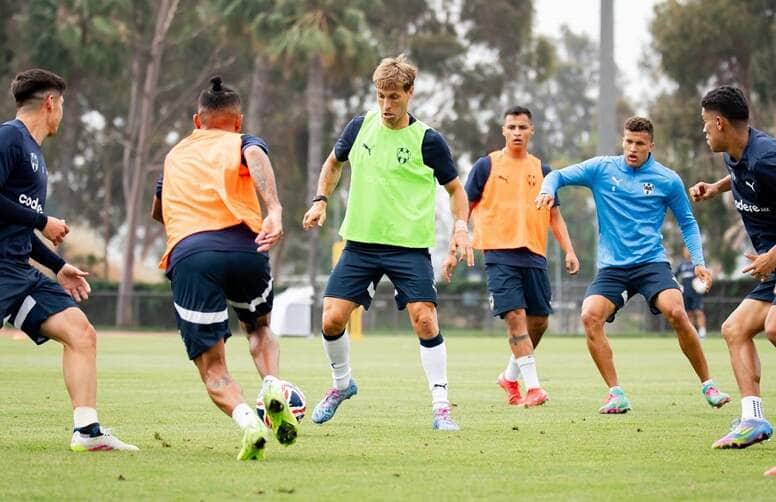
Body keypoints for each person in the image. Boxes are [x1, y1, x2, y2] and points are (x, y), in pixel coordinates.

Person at [302, 55, 473, 431]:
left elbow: (456, 190)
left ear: (410, 93)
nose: (386, 105)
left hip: (408, 248)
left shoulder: (428, 140)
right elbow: (333, 164)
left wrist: (461, 228)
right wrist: (320, 201)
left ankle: (441, 407)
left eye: (394, 96)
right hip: (360, 244)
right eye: (380, 96)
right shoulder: (359, 127)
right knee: (331, 318)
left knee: (424, 319)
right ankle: (341, 385)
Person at [536, 116, 731, 414]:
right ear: (623, 140)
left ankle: (709, 385)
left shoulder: (667, 179)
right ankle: (616, 394)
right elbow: (557, 176)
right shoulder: (602, 168)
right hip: (613, 269)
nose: (632, 148)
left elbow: (688, 222)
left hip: (651, 264)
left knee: (676, 311)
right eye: (628, 141)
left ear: (651, 145)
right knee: (589, 316)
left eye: (639, 143)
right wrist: (546, 191)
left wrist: (699, 262)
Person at [152, 76, 293, 461]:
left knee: (213, 368)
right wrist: (274, 208)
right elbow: (254, 153)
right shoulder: (242, 140)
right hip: (245, 246)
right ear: (238, 120)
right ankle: (272, 383)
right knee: (259, 327)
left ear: (197, 120)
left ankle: (249, 422)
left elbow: (158, 210)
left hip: (192, 254)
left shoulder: (175, 155)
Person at [0, 69, 136, 451]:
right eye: (62, 104)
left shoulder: (35, 153)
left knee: (80, 332)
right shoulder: (10, 137)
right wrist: (42, 220)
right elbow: (27, 220)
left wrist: (58, 266)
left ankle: (87, 431)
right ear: (50, 103)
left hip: (19, 270)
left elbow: (15, 227)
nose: (62, 112)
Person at [456, 106, 579, 407]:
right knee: (515, 317)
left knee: (539, 322)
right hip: (498, 253)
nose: (517, 132)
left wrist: (569, 250)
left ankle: (509, 376)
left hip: (534, 254)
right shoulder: (486, 165)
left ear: (531, 131)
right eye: (511, 127)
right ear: (503, 130)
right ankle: (534, 388)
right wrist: (458, 239)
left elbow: (555, 216)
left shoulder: (544, 171)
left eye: (522, 127)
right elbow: (464, 205)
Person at [690, 85, 776, 452]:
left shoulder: (767, 157)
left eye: (705, 123)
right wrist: (715, 188)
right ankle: (753, 419)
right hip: (772, 265)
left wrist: (773, 255)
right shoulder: (736, 153)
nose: (704, 130)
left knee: (774, 327)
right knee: (735, 329)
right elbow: (743, 177)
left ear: (720, 123)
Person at [674, 247, 707, 340]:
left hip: (696, 293)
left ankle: (702, 333)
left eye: (689, 250)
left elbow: (704, 275)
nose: (687, 252)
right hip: (686, 293)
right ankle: (693, 334)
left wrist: (702, 284)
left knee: (699, 312)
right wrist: (679, 286)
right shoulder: (681, 265)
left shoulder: (697, 264)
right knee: (689, 313)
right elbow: (674, 276)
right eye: (685, 251)